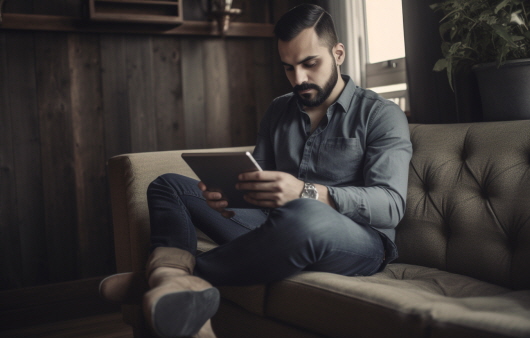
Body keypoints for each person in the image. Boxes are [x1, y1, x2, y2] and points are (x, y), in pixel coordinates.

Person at [100, 4, 412, 338]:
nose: (299, 79)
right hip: (276, 227)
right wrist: (229, 199)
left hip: (358, 241)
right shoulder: (280, 109)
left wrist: (306, 192)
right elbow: (258, 185)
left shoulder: (380, 114)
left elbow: (391, 205)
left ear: (338, 54)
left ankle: (163, 280)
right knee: (167, 185)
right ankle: (171, 280)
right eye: (289, 68)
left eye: (310, 63)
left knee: (305, 214)